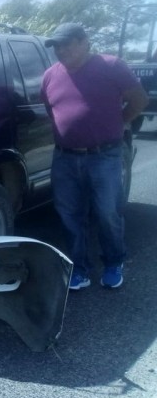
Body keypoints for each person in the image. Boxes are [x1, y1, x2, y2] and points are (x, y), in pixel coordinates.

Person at [41, 23, 148, 290]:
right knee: (69, 215)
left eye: (67, 44)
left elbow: (140, 99)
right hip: (64, 158)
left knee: (107, 212)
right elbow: (50, 108)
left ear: (85, 41)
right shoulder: (50, 75)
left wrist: (120, 121)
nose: (61, 50)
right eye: (56, 46)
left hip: (104, 155)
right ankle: (79, 269)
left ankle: (113, 262)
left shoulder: (112, 66)